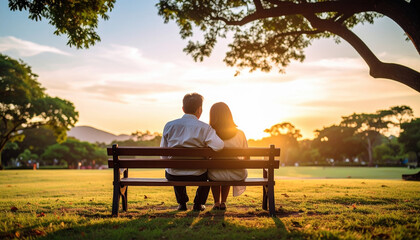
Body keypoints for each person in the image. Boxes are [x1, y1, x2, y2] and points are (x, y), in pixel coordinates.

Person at [161, 93, 224, 211]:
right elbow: (219, 146)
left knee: (174, 169)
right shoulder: (205, 128)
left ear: (183, 109)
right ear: (200, 110)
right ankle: (198, 203)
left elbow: (163, 153)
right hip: (198, 175)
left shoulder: (169, 126)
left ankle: (182, 203)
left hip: (174, 174)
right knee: (209, 173)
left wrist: (169, 165)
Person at [208, 102, 248, 210]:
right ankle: (223, 202)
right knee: (229, 166)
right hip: (236, 173)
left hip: (214, 174)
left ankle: (216, 202)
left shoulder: (209, 133)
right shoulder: (240, 134)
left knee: (214, 168)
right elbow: (246, 157)